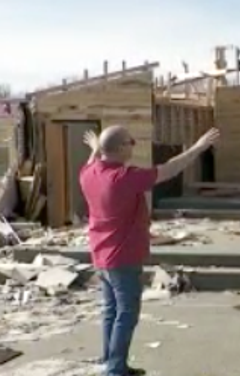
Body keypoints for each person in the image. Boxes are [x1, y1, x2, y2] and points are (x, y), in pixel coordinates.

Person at [80, 125, 220, 376]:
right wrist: (198, 148)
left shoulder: (88, 173)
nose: (134, 145)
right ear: (121, 147)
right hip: (123, 257)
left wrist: (94, 149)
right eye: (131, 141)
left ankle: (110, 360)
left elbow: (92, 161)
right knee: (126, 314)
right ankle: (114, 369)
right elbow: (169, 169)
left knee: (111, 311)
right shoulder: (124, 177)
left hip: (100, 255)